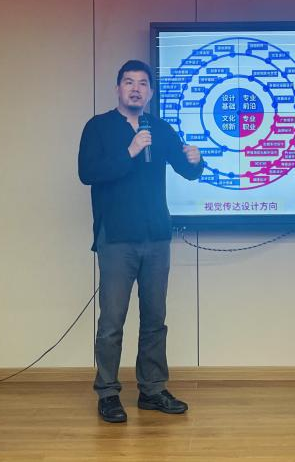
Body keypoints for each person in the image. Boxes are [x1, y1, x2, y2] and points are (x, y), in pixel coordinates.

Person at [78, 59, 204, 423]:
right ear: (118, 88)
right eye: (129, 82)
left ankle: (152, 390)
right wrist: (130, 151)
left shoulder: (159, 128)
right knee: (112, 321)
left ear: (150, 92)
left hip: (157, 236)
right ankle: (107, 393)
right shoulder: (98, 127)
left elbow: (187, 170)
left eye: (143, 83)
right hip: (117, 237)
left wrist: (197, 161)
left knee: (154, 318)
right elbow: (88, 173)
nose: (136, 88)